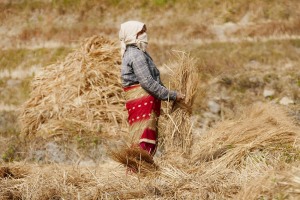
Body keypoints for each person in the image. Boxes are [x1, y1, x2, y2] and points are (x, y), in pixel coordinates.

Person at [119, 20, 184, 157]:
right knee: (143, 138)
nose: (145, 35)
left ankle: (141, 171)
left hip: (145, 101)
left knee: (143, 138)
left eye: (144, 31)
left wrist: (167, 93)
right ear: (132, 34)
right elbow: (148, 82)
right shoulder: (136, 55)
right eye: (141, 32)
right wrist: (172, 95)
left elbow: (152, 80)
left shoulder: (137, 52)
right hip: (142, 101)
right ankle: (140, 171)